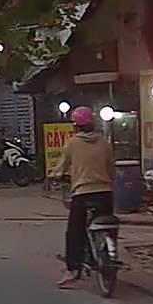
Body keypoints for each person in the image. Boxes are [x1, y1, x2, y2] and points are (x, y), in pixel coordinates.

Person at [55, 106, 115, 288]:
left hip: (82, 193)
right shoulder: (104, 142)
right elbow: (111, 167)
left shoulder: (72, 143)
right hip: (105, 193)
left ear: (76, 126)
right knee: (108, 224)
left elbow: (61, 167)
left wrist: (55, 176)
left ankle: (72, 269)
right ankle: (110, 252)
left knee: (75, 230)